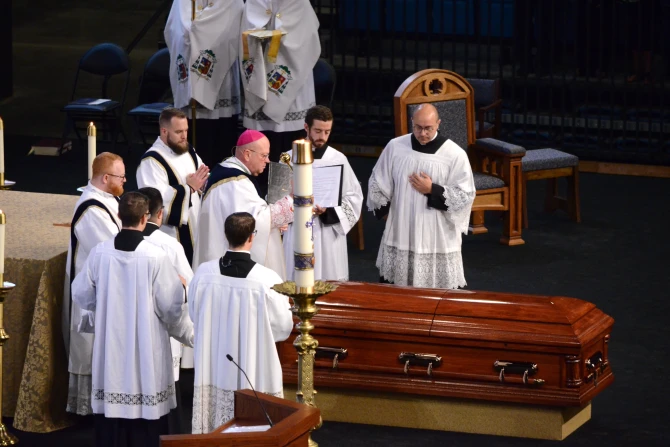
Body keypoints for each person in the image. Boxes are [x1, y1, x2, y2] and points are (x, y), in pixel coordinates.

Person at [71, 192, 194, 447]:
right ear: (145, 218)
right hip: (146, 347)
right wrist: (182, 289)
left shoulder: (100, 253)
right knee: (145, 414)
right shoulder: (156, 256)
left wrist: (106, 307)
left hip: (111, 347)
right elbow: (169, 308)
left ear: (119, 216)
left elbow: (81, 294)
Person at [189, 212, 293, 433]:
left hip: (215, 363)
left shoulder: (204, 273)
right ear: (251, 237)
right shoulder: (267, 280)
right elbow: (283, 327)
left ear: (225, 235)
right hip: (253, 363)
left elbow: (194, 314)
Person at [367, 104, 475, 289]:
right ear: (412, 122)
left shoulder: (454, 154)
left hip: (436, 233)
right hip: (402, 229)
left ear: (438, 123)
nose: (422, 133)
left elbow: (465, 195)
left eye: (428, 128)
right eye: (418, 127)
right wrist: (387, 213)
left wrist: (432, 189)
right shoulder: (395, 147)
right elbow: (377, 181)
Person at [63, 152, 125, 416]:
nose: (125, 180)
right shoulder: (91, 209)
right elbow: (111, 247)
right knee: (89, 349)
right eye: (121, 176)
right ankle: (89, 409)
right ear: (106, 178)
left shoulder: (108, 199)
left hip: (108, 286)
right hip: (90, 292)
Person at [240, 0, 321, 198]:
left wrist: (276, 36)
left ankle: (287, 204)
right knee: (261, 158)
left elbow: (306, 38)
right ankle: (258, 201)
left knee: (288, 160)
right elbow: (247, 26)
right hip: (261, 84)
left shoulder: (299, 3)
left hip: (294, 97)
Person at [192, 129, 293, 277]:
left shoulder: (226, 170)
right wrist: (291, 200)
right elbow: (255, 221)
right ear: (247, 154)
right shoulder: (235, 184)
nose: (267, 160)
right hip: (228, 269)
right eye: (264, 155)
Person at [282, 106, 363, 281]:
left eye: (327, 132)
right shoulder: (288, 158)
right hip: (297, 228)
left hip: (327, 233)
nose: (322, 137)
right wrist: (295, 203)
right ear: (306, 127)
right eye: (318, 131)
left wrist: (328, 211)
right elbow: (275, 199)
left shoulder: (338, 159)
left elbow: (354, 197)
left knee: (329, 280)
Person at [164, 0, 243, 167]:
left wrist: (198, 34)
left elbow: (230, 20)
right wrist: (191, 35)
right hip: (190, 91)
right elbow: (175, 27)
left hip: (222, 81)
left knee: (219, 146)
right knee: (193, 150)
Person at [138, 186, 194, 414]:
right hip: (161, 328)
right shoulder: (169, 245)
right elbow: (189, 289)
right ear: (160, 213)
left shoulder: (115, 241)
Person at [136, 107, 210, 265]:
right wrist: (189, 188)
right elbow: (155, 202)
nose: (184, 136)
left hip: (196, 225)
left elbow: (202, 176)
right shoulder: (152, 161)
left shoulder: (188, 150)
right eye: (178, 132)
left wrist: (202, 183)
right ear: (164, 131)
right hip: (171, 235)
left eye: (186, 130)